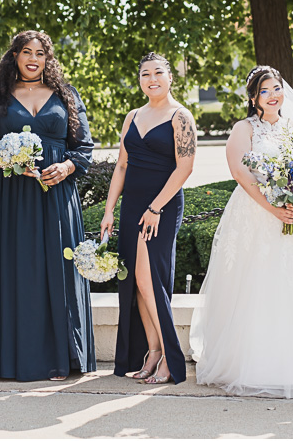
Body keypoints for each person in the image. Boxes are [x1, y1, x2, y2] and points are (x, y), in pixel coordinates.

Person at [189, 66, 293, 398]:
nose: (274, 95)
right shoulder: (243, 128)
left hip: (292, 215)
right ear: (253, 98)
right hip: (254, 214)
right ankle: (253, 364)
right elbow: (239, 171)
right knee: (255, 284)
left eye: (276, 88)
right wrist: (273, 208)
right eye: (265, 91)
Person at [0, 30, 95, 381]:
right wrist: (4, 160)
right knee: (16, 270)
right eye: (27, 52)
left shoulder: (67, 95)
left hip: (55, 193)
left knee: (57, 269)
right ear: (14, 56)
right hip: (9, 198)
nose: (33, 58)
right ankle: (12, 360)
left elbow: (84, 147)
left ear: (48, 59)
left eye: (40, 53)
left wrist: (67, 166)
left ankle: (60, 358)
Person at [101, 52, 197, 385]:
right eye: (145, 74)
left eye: (158, 73)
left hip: (162, 205)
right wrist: (109, 210)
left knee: (149, 281)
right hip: (131, 206)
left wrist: (155, 208)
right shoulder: (132, 116)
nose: (152, 79)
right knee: (136, 285)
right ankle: (153, 352)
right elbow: (122, 166)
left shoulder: (180, 116)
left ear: (170, 77)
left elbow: (185, 168)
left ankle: (170, 358)